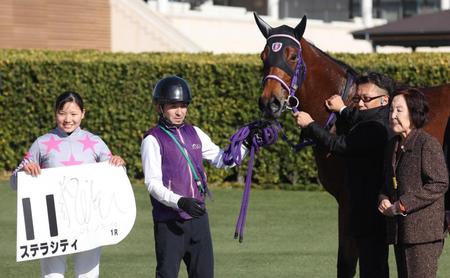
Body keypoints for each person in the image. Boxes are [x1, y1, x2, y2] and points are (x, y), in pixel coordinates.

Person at [141, 76, 248, 278]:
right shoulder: (152, 139)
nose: (180, 111)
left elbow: (223, 159)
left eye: (183, 106)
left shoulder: (195, 132)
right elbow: (152, 184)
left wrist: (247, 143)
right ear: (160, 107)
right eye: (173, 106)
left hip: (198, 219)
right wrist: (180, 202)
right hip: (169, 222)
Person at [10, 91, 125, 278]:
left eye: (73, 114)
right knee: (52, 275)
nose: (68, 119)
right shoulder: (42, 143)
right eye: (62, 113)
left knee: (88, 275)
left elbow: (117, 176)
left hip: (89, 219)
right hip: (51, 220)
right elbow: (15, 182)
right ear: (55, 112)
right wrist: (25, 170)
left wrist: (118, 164)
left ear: (83, 113)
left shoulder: (95, 143)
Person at [293, 72, 394, 278]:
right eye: (357, 98)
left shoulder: (376, 126)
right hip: (366, 209)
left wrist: (310, 125)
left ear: (385, 100)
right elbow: (358, 117)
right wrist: (343, 109)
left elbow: (341, 145)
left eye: (366, 99)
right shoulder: (376, 117)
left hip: (371, 210)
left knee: (372, 267)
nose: (361, 104)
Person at [378, 88, 448, 278]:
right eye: (391, 110)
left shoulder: (427, 144)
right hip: (401, 232)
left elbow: (439, 183)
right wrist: (383, 199)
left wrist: (402, 204)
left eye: (399, 110)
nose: (393, 115)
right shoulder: (392, 145)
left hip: (423, 235)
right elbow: (387, 184)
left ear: (414, 113)